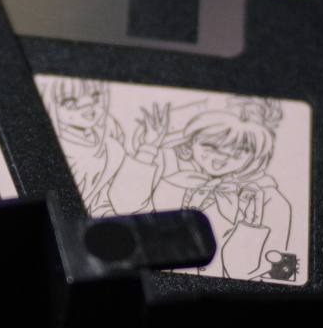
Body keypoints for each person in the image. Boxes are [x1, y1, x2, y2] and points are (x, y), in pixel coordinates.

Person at [110, 98, 292, 280]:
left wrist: (250, 226)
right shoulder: (175, 180)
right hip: (152, 278)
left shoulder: (268, 199)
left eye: (239, 152)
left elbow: (268, 272)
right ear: (190, 144)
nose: (223, 157)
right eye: (212, 146)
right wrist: (148, 148)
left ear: (255, 158)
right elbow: (125, 210)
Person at [38, 76, 128, 216]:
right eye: (70, 102)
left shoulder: (110, 140)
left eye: (95, 96)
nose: (88, 105)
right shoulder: (55, 152)